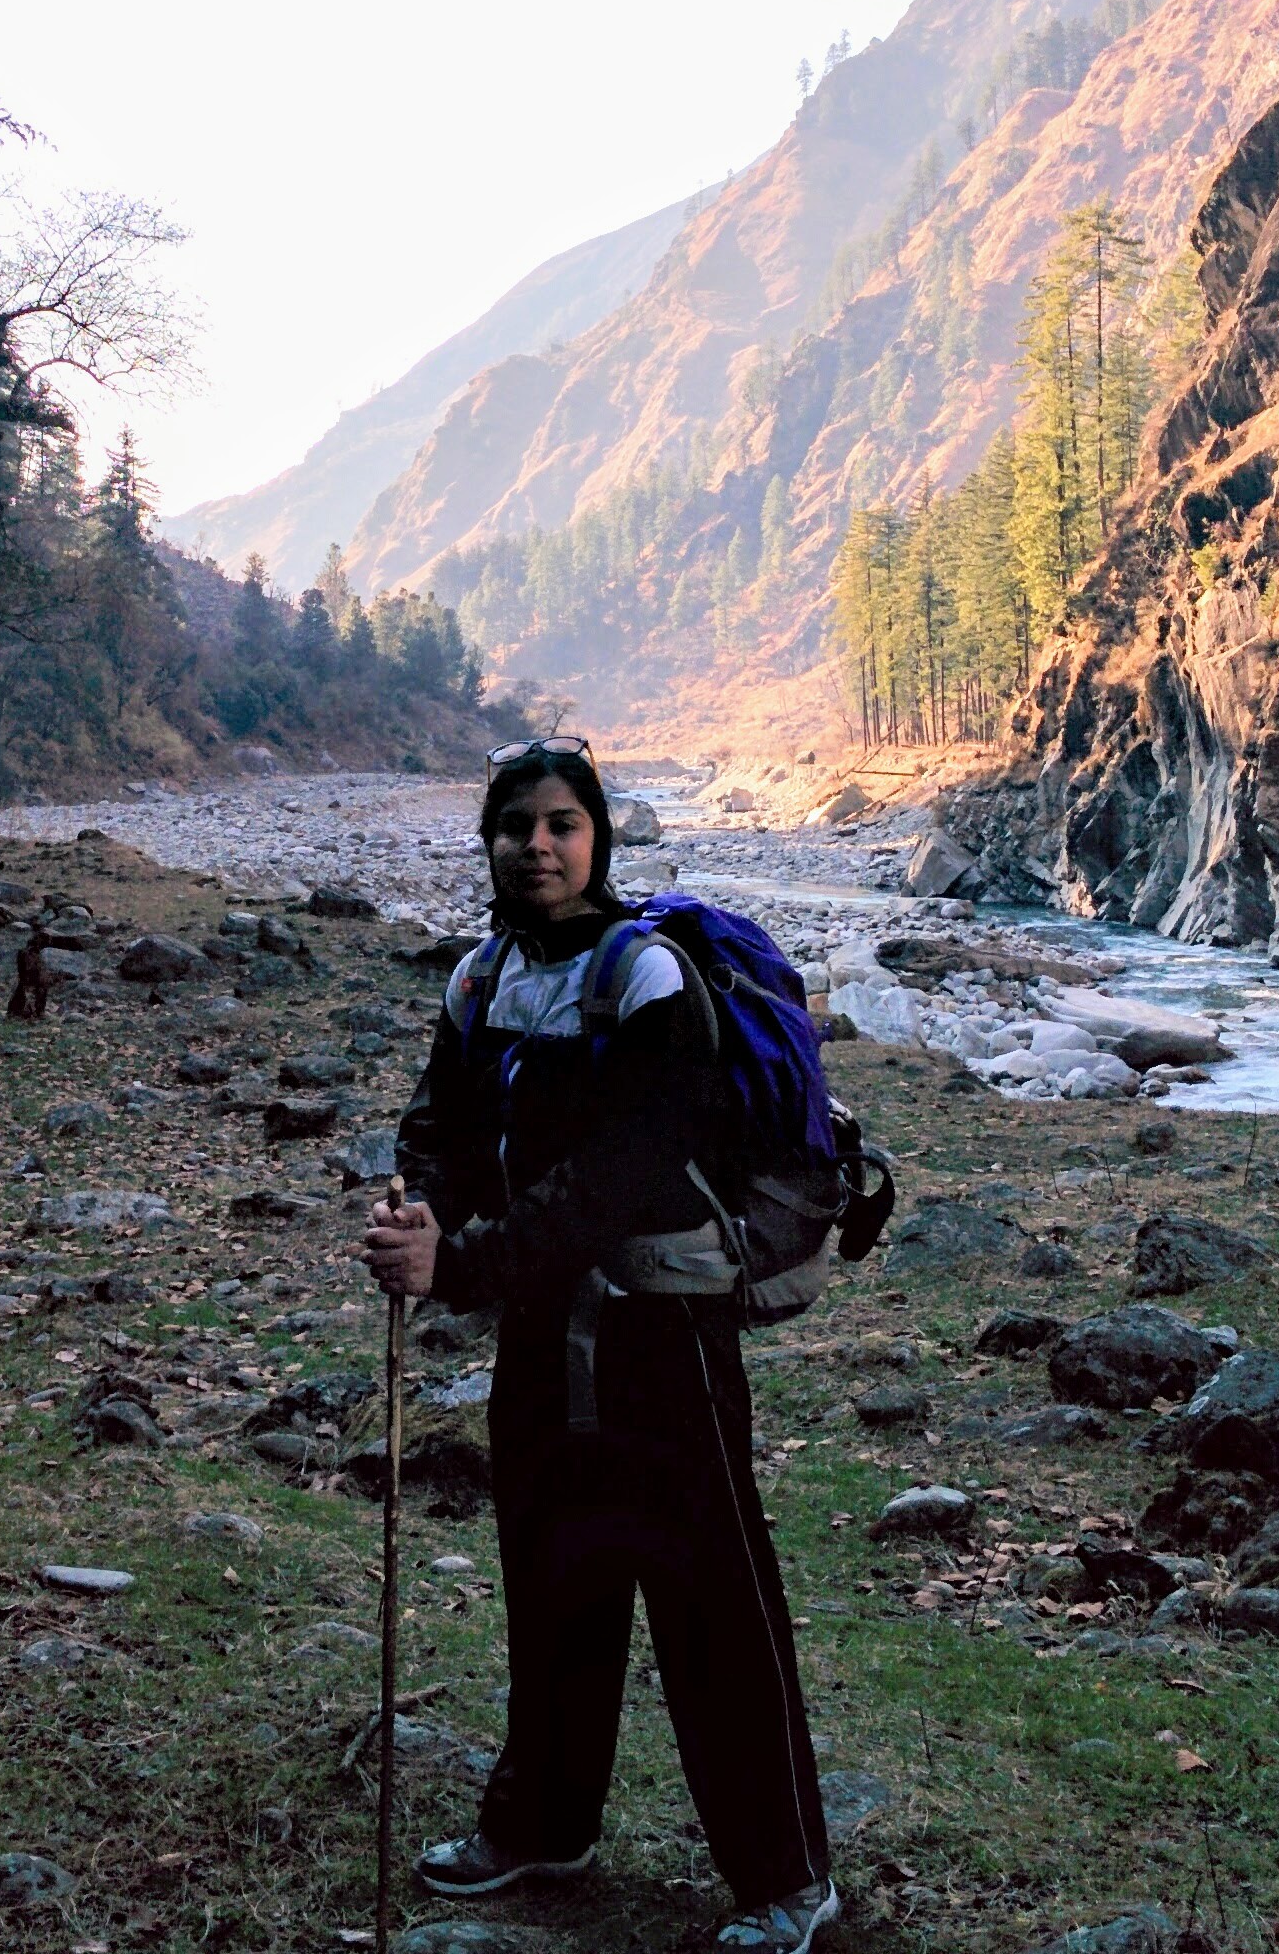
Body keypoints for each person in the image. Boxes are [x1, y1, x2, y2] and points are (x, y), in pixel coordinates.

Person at [362, 736, 838, 1953]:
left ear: (599, 839)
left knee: (713, 1603)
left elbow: (618, 1176)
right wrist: (419, 1197)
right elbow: (445, 1121)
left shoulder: (649, 981)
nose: (538, 844)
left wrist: (458, 1266)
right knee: (551, 1580)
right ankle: (543, 1823)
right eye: (515, 823)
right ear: (488, 840)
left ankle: (786, 1875)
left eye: (562, 823)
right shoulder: (477, 980)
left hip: (659, 1337)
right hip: (538, 1335)